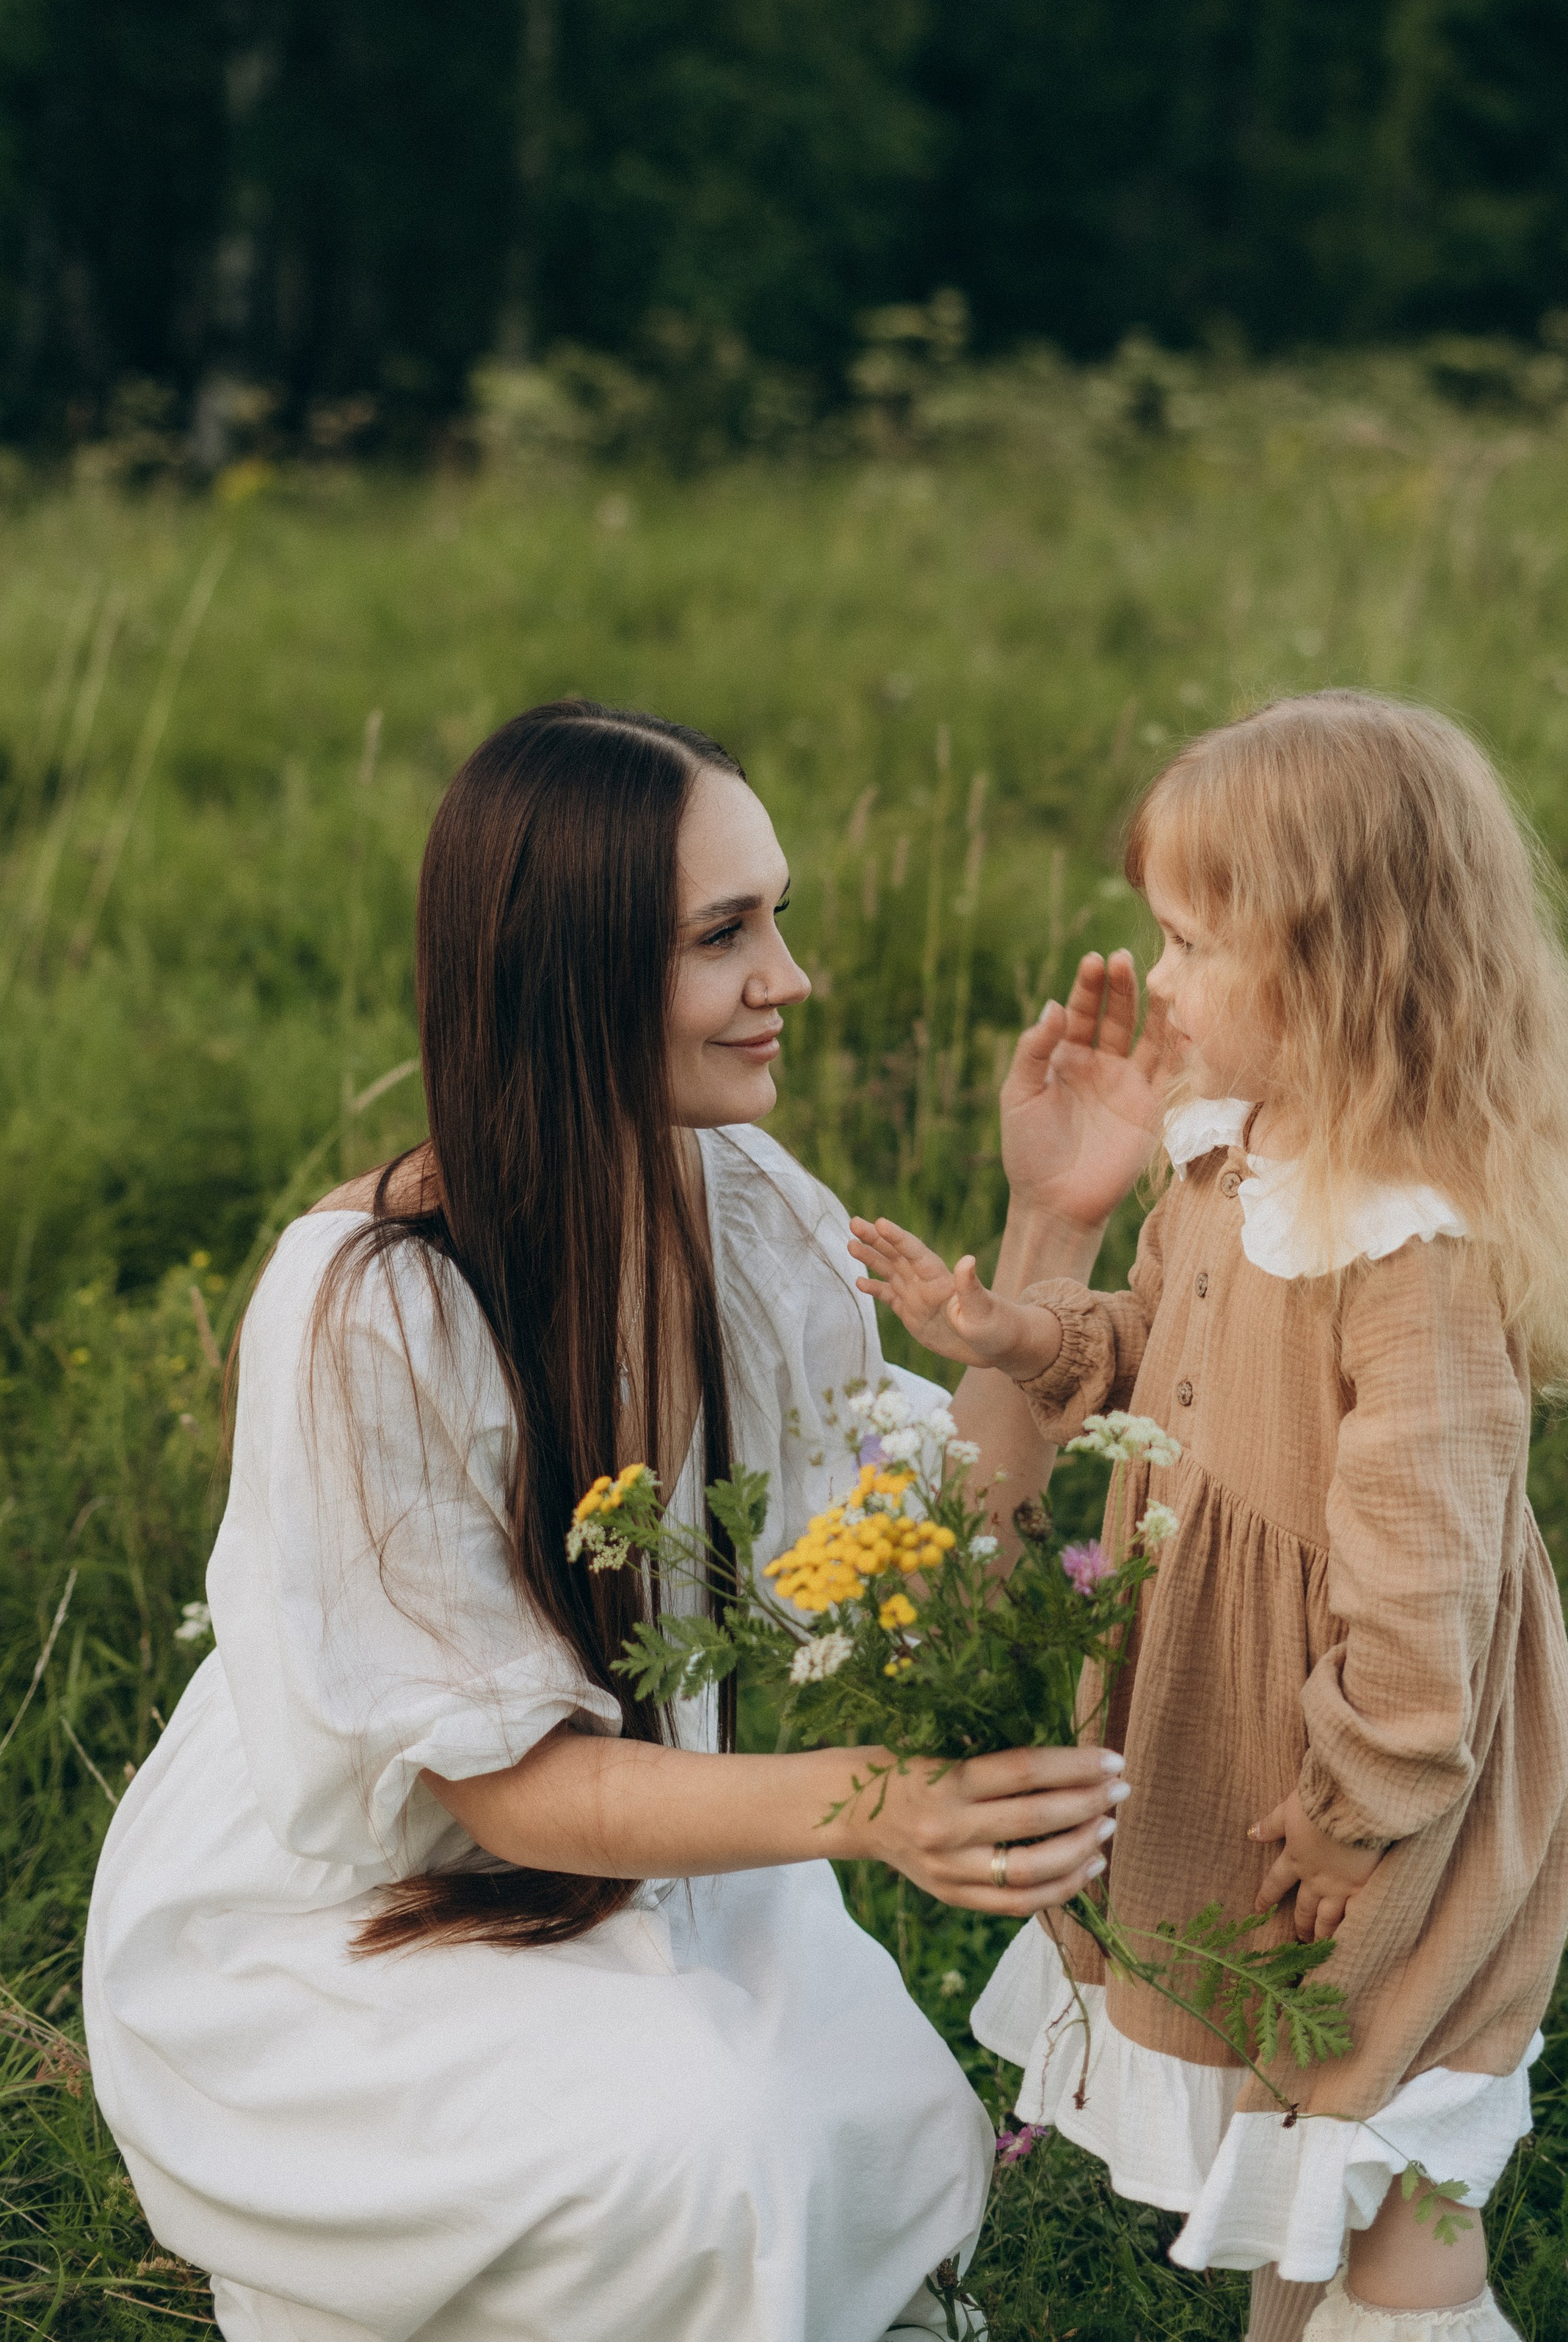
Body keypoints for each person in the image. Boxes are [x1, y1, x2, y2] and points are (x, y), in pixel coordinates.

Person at [83, 701, 1125, 2342]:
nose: (790, 978)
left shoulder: (744, 1208)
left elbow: (940, 1563)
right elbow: (495, 1785)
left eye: (777, 918)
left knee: (880, 2140)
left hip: (631, 1837)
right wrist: (879, 1807)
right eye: (725, 935)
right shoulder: (372, 1301)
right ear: (568, 972)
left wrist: (1050, 1228)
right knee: (709, 2163)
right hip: (362, 1898)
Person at [850, 691, 1568, 2342]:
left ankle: (1417, 2314)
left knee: (1386, 2118)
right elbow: (1155, 1346)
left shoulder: (1409, 1252)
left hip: (1364, 1755)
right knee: (1300, 2119)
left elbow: (1423, 1589)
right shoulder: (1229, 1157)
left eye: (1197, 946)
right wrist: (1016, 1335)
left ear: (1340, 969)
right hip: (1233, 1706)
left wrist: (1357, 1808)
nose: (1164, 983)